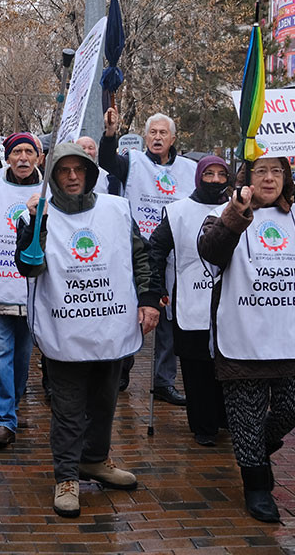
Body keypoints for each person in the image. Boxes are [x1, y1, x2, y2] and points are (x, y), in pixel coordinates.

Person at [15, 142, 159, 518]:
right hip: (66, 328)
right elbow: (29, 268)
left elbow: (139, 255)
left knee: (104, 400)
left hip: (110, 324)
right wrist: (36, 225)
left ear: (92, 173)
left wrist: (147, 298)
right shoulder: (39, 215)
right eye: (65, 170)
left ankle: (94, 459)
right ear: (54, 176)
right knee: (68, 407)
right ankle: (66, 475)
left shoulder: (116, 208)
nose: (73, 176)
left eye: (80, 169)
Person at [197, 156, 295, 522]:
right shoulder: (224, 212)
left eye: (277, 171)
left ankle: (254, 449)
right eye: (261, 171)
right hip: (242, 338)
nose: (269, 178)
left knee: (294, 404)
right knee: (245, 416)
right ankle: (257, 486)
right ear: (246, 177)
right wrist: (236, 214)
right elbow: (211, 252)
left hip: (290, 336)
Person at [100, 107, 195, 405]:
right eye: (152, 132)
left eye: (162, 132)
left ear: (173, 138)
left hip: (174, 254)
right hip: (138, 251)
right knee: (132, 314)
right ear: (145, 137)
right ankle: (122, 370)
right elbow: (107, 162)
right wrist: (110, 134)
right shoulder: (133, 163)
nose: (157, 137)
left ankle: (163, 381)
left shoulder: (190, 169)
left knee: (166, 320)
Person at [148, 156, 231, 447]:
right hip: (191, 298)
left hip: (229, 302)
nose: (216, 180)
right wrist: (156, 288)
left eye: (222, 174)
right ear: (198, 177)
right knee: (197, 368)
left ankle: (225, 417)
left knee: (226, 364)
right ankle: (203, 424)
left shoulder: (236, 208)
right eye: (209, 173)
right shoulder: (178, 211)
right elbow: (155, 250)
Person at [0, 132, 43, 448]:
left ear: (38, 157)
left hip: (33, 291)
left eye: (28, 152)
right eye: (16, 151)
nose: (22, 157)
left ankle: (13, 403)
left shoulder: (50, 189)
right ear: (8, 157)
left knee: (22, 356)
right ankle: (3, 419)